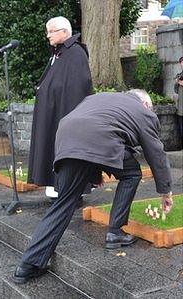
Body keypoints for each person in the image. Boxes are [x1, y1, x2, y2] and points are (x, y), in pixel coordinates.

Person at [12, 89, 173, 284]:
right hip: (94, 141)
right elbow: (156, 153)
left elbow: (91, 128)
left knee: (63, 203)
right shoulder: (143, 111)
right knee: (132, 173)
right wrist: (166, 191)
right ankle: (114, 233)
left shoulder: (100, 98)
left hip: (66, 141)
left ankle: (27, 266)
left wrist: (93, 173)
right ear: (146, 104)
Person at [27, 16, 93, 198]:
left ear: (64, 32)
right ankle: (57, 186)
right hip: (54, 113)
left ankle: (71, 190)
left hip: (67, 115)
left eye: (51, 31)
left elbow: (77, 88)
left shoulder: (75, 53)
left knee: (67, 152)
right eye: (47, 31)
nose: (48, 35)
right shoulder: (59, 52)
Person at [174, 56, 183, 146]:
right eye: (182, 62)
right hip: (181, 106)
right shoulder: (179, 75)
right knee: (181, 127)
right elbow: (175, 90)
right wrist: (177, 82)